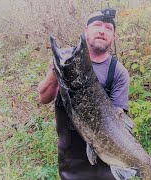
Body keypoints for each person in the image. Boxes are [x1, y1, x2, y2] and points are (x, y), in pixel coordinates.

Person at [37, 8, 130, 180]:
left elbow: (120, 124)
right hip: (72, 157)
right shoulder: (65, 57)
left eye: (109, 28)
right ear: (86, 31)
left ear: (113, 37)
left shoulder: (118, 72)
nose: (103, 31)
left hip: (108, 157)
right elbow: (44, 98)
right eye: (97, 25)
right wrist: (56, 69)